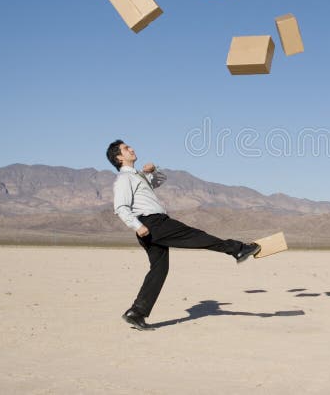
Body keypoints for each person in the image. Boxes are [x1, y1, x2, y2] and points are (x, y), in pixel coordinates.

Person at [106, 139, 260, 331]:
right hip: (153, 224)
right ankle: (238, 250)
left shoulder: (138, 176)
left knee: (159, 269)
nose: (132, 149)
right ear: (119, 157)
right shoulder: (124, 179)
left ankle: (136, 313)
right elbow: (120, 207)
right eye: (126, 148)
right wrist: (137, 225)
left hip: (152, 225)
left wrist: (153, 170)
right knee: (196, 236)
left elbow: (160, 180)